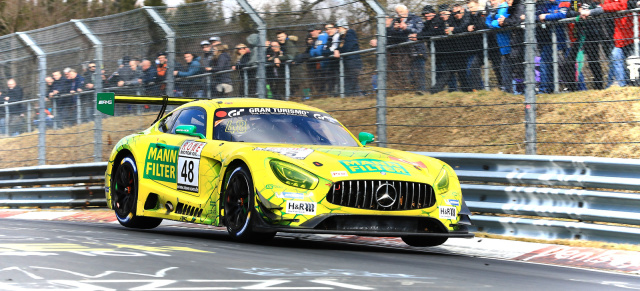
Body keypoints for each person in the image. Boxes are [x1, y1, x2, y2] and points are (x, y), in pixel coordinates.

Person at [581, 0, 634, 87]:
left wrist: (592, 11)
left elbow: (621, 5)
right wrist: (594, 11)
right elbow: (608, 6)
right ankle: (621, 85)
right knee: (615, 57)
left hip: (632, 36)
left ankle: (629, 83)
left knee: (631, 62)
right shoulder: (604, 3)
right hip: (619, 38)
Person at [386, 4, 424, 91]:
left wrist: (406, 28)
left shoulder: (415, 19)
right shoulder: (396, 21)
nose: (400, 15)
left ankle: (421, 92)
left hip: (417, 51)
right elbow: (391, 37)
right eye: (398, 13)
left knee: (419, 74)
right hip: (404, 54)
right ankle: (410, 93)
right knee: (408, 76)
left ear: (407, 11)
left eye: (401, 12)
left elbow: (420, 31)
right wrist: (394, 29)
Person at [486, 0, 513, 93]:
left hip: (510, 44)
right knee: (504, 69)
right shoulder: (495, 10)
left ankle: (511, 90)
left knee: (509, 69)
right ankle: (508, 90)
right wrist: (494, 22)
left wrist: (494, 22)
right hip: (503, 46)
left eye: (493, 0)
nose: (491, 2)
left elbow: (500, 23)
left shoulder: (504, 7)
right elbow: (488, 22)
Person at [336, 20, 364, 96]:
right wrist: (338, 50)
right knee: (350, 82)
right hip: (347, 63)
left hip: (353, 62)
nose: (338, 30)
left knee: (353, 82)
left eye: (339, 28)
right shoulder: (341, 37)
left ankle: (358, 97)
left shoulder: (350, 33)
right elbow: (339, 47)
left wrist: (339, 50)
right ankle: (355, 97)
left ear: (344, 27)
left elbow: (348, 47)